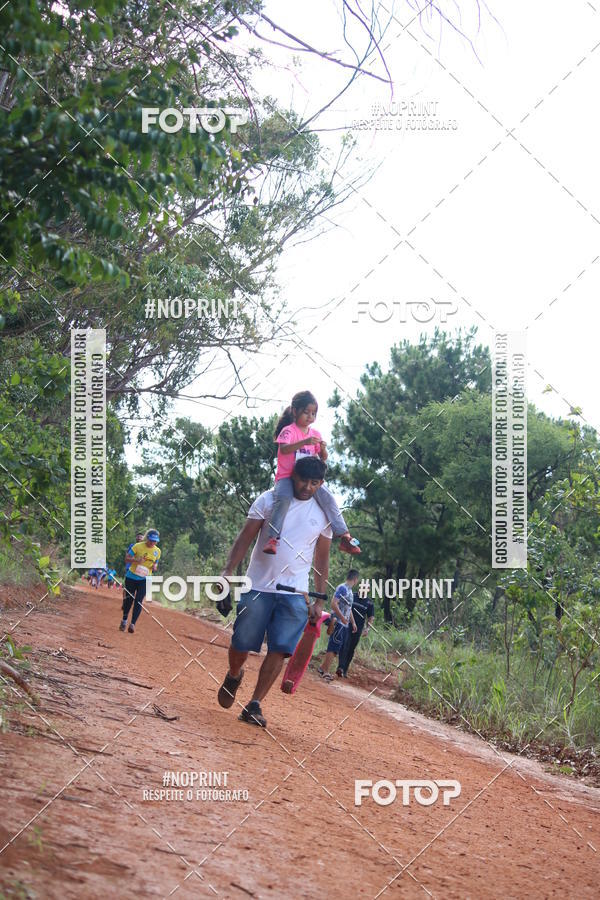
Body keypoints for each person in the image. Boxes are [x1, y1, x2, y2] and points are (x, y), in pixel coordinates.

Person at [217, 456, 333, 729]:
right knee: (242, 642)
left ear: (321, 483)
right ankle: (235, 674)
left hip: (296, 592)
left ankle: (254, 704)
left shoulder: (324, 513)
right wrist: (228, 570)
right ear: (292, 476)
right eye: (302, 480)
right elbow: (245, 537)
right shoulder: (269, 500)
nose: (307, 487)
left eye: (314, 483)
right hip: (258, 585)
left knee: (280, 649)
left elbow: (322, 558)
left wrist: (319, 598)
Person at [262, 391, 360, 558]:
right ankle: (272, 538)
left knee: (328, 498)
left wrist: (323, 449)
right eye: (306, 412)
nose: (310, 416)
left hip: (308, 478)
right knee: (283, 499)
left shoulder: (315, 434)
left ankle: (344, 535)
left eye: (313, 413)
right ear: (294, 411)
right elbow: (284, 449)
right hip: (288, 477)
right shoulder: (289, 431)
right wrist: (304, 442)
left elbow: (322, 458)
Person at [318, 569, 359, 681]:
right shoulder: (342, 588)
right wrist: (342, 618)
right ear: (355, 579)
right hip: (338, 622)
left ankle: (323, 667)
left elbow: (349, 608)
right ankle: (325, 671)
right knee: (333, 646)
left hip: (344, 624)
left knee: (337, 648)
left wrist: (353, 622)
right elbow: (333, 603)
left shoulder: (350, 591)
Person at [119, 529, 161, 633]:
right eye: (151, 540)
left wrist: (155, 566)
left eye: (155, 541)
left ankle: (132, 624)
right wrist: (137, 560)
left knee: (139, 601)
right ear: (147, 539)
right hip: (132, 577)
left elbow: (156, 563)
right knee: (129, 600)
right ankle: (124, 620)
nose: (152, 543)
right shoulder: (137, 546)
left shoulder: (158, 551)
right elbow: (127, 559)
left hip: (146, 579)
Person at [337, 589, 375, 678]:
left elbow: (371, 617)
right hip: (347, 624)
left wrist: (367, 628)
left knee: (351, 648)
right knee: (344, 644)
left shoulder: (369, 602)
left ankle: (345, 670)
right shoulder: (352, 596)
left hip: (359, 627)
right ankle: (340, 667)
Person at [124, 531, 144, 604]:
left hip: (139, 569)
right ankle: (125, 600)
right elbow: (127, 555)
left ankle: (136, 600)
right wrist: (126, 565)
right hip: (130, 567)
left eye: (141, 537)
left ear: (143, 538)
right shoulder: (132, 545)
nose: (139, 538)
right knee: (127, 586)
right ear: (136, 538)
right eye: (138, 536)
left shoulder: (145, 547)